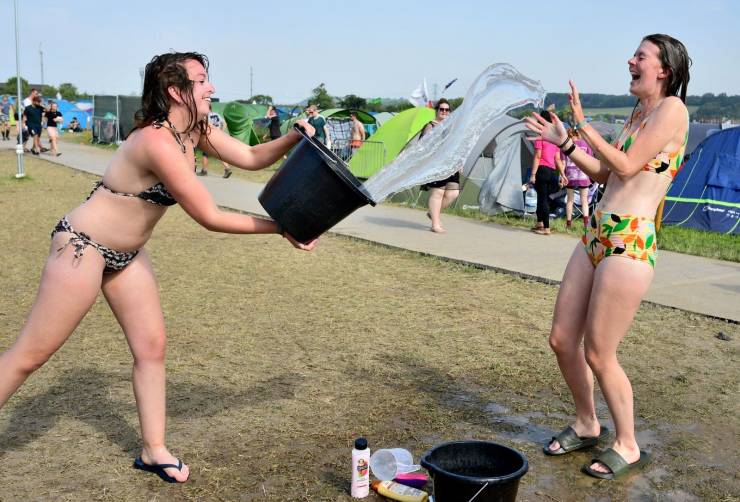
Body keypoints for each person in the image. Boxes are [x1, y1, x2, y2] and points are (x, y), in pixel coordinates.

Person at [0, 52, 318, 485]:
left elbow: (249, 156)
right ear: (175, 90)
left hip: (127, 256)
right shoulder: (156, 141)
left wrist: (294, 138)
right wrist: (281, 227)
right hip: (82, 247)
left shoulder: (195, 130)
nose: (210, 87)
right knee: (30, 356)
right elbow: (209, 215)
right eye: (202, 80)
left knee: (151, 348)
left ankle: (154, 451)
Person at [525, 34, 690, 479]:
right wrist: (565, 144)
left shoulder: (672, 109)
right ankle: (586, 422)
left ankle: (628, 444)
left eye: (641, 57)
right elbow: (602, 171)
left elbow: (626, 166)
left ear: (664, 70)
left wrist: (582, 122)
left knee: (600, 352)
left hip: (631, 242)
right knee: (562, 339)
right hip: (597, 232)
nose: (630, 61)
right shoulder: (639, 113)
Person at [420, 99, 457, 233]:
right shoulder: (431, 126)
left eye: (447, 110)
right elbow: (424, 146)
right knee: (438, 192)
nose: (444, 112)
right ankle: (435, 224)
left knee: (453, 193)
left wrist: (460, 161)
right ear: (437, 110)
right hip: (436, 164)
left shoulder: (452, 126)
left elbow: (457, 145)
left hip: (451, 164)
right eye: (441, 109)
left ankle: (433, 213)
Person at [529, 110, 567, 235]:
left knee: (543, 199)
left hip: (542, 170)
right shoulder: (553, 139)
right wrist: (562, 174)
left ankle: (546, 228)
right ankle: (540, 223)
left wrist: (533, 174)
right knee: (542, 198)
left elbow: (537, 156)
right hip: (552, 172)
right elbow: (557, 159)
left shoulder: (541, 137)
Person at [562, 129, 594, 228]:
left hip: (570, 176)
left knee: (570, 200)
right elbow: (590, 160)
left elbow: (563, 162)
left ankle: (568, 224)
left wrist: (562, 175)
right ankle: (585, 223)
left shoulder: (565, 145)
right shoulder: (586, 145)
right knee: (584, 200)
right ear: (577, 134)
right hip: (583, 176)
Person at [196, 110, 232, 178]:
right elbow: (225, 123)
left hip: (210, 135)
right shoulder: (217, 114)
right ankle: (227, 168)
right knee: (218, 152)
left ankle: (204, 171)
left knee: (205, 153)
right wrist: (221, 131)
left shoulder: (205, 116)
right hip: (218, 135)